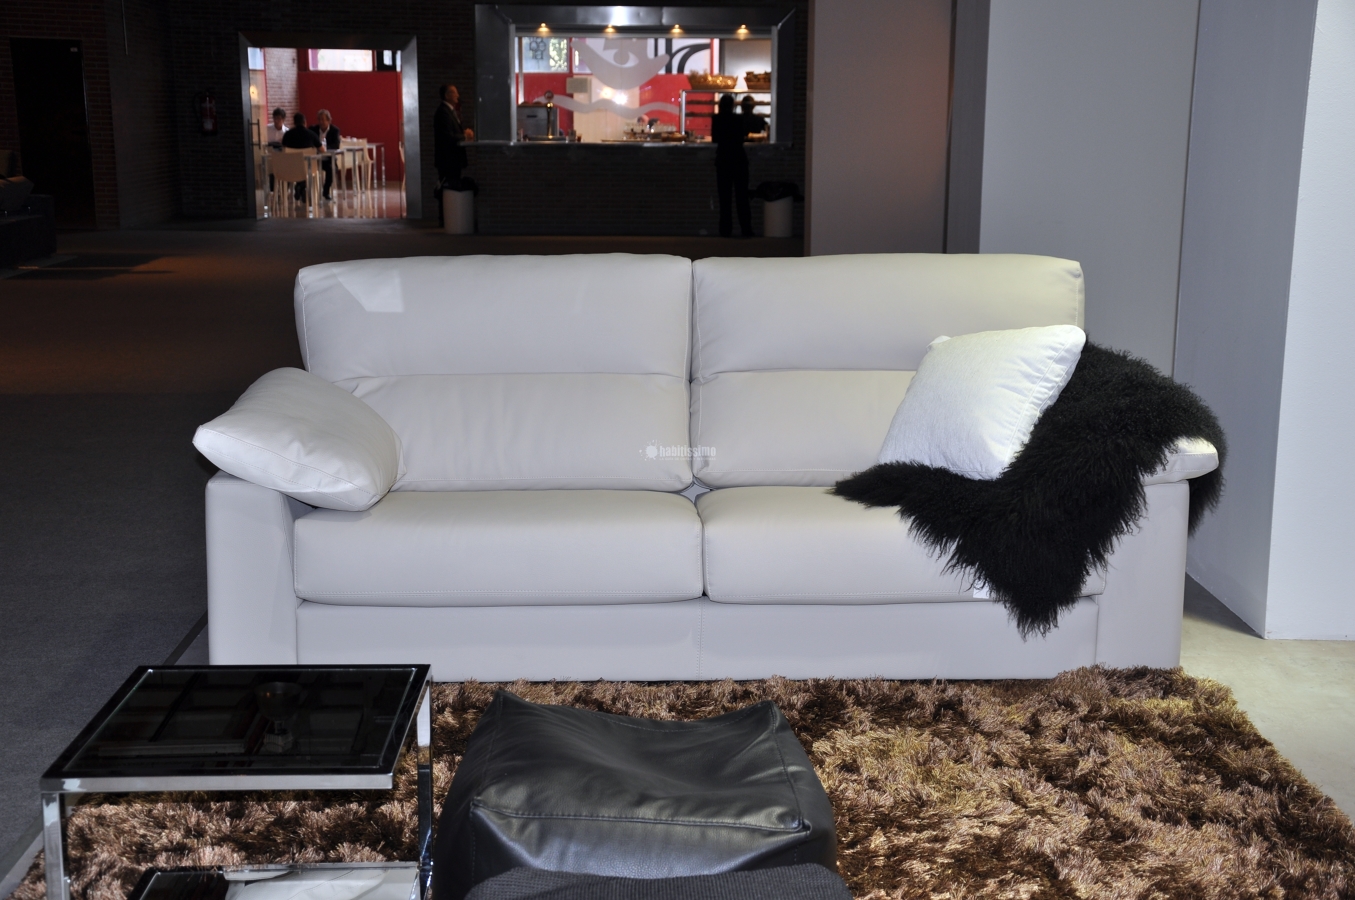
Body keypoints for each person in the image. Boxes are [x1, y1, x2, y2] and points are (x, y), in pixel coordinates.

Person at [711, 94, 752, 237]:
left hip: (723, 160)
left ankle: (725, 229)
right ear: (733, 106)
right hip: (739, 159)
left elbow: (715, 138)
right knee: (742, 196)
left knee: (724, 198)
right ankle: (746, 229)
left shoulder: (717, 119)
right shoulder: (738, 119)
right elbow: (743, 136)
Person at [434, 84, 474, 225]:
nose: (458, 95)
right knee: (448, 187)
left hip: (451, 159)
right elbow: (447, 136)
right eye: (454, 93)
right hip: (448, 159)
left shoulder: (450, 111)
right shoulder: (443, 112)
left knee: (450, 186)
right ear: (447, 95)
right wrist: (464, 136)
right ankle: (446, 219)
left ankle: (449, 218)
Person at [281, 112, 322, 200]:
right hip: (309, 168)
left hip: (291, 168)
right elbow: (322, 149)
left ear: (294, 122)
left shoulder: (287, 134)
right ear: (305, 122)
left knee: (298, 166)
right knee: (306, 167)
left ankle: (300, 186)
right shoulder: (312, 134)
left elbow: (283, 149)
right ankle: (302, 187)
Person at [309, 109, 341, 200]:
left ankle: (326, 191)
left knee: (332, 169)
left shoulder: (334, 130)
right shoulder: (313, 129)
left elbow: (336, 145)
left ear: (329, 120)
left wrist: (324, 148)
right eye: (319, 119)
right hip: (315, 158)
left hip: (328, 159)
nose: (321, 122)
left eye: (323, 119)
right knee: (305, 167)